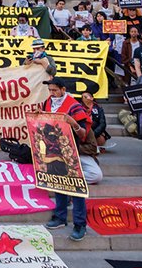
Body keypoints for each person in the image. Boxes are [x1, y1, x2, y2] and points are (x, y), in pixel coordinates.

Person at [42, 78, 100, 240]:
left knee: (75, 188)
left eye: (54, 90)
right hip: (55, 149)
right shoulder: (47, 103)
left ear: (63, 89)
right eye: (50, 90)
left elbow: (83, 133)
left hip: (72, 149)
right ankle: (60, 217)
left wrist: (73, 123)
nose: (52, 93)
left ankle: (80, 224)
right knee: (59, 184)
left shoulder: (74, 106)